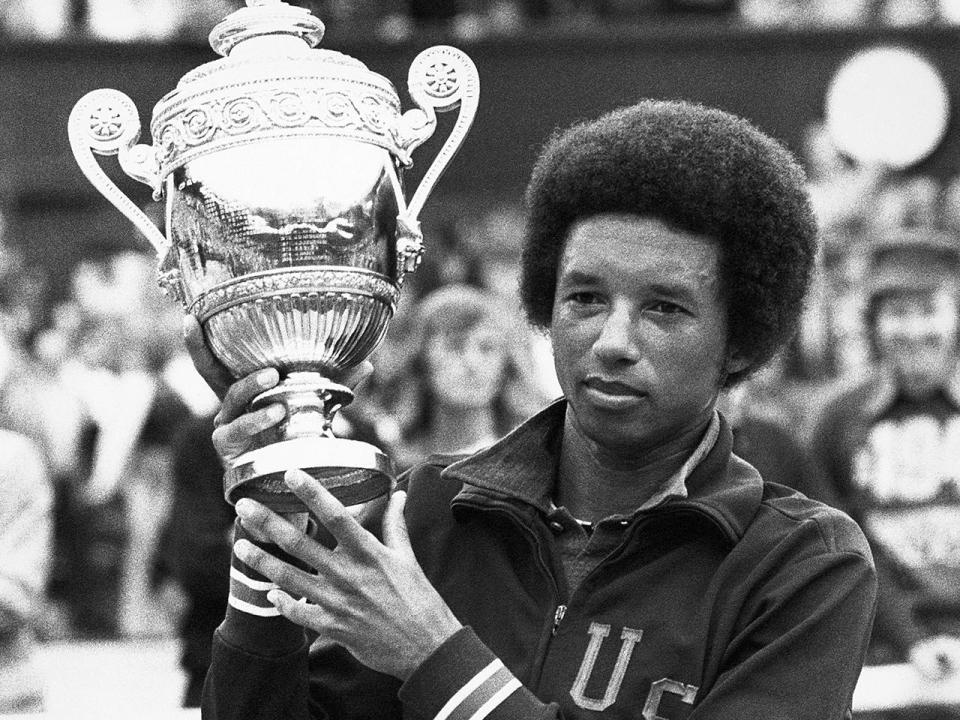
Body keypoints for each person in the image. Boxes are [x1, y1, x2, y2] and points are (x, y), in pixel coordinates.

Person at [189, 100, 877, 719]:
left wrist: (439, 660)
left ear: (740, 340)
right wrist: (269, 538)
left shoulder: (801, 565)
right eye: (584, 298)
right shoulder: (428, 512)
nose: (612, 342)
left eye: (664, 309)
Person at [809, 228, 960, 710]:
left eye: (928, 310)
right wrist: (911, 637)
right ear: (875, 325)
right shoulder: (838, 421)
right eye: (897, 313)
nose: (914, 330)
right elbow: (842, 545)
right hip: (881, 661)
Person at [380, 283, 548, 469]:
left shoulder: (529, 462)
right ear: (421, 361)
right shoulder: (392, 460)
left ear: (507, 366)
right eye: (455, 345)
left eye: (487, 348)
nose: (472, 363)